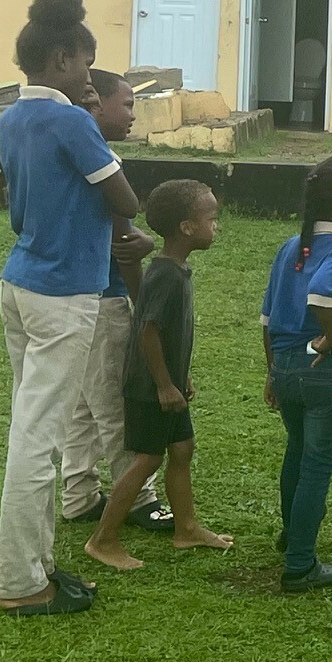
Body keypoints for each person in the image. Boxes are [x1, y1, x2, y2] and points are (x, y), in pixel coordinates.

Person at [0, 0, 142, 616]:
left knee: (36, 429)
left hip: (21, 283)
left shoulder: (11, 117)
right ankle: (22, 584)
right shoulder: (71, 119)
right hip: (64, 294)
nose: (89, 72)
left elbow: (18, 211)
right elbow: (127, 200)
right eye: (83, 60)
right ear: (59, 59)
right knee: (38, 439)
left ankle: (42, 566)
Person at [84, 180, 233, 568]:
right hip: (150, 388)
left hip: (170, 383)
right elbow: (147, 331)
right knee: (148, 459)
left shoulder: (176, 269)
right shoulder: (165, 275)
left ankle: (186, 530)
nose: (216, 226)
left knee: (182, 449)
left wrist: (180, 377)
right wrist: (165, 384)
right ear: (187, 228)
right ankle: (103, 539)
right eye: (211, 218)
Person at [61, 71, 172, 533]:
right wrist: (141, 295)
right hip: (102, 297)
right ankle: (138, 495)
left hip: (66, 294)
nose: (132, 115)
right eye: (126, 105)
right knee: (114, 402)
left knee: (82, 404)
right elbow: (124, 239)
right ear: (96, 104)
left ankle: (78, 493)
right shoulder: (99, 158)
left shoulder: (61, 153)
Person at [262, 153, 332, 593]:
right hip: (323, 371)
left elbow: (267, 320)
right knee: (317, 464)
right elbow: (322, 297)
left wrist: (273, 374)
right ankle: (300, 564)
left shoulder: (290, 248)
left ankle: (294, 532)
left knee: (296, 450)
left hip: (286, 368)